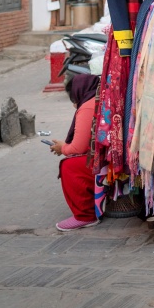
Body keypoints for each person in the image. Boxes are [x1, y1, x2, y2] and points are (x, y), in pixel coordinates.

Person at [50, 73, 101, 231]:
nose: (73, 104)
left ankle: (84, 215)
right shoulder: (98, 98)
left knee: (69, 165)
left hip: (105, 162)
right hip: (108, 155)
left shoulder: (87, 106)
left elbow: (78, 148)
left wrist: (62, 148)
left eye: (73, 99)